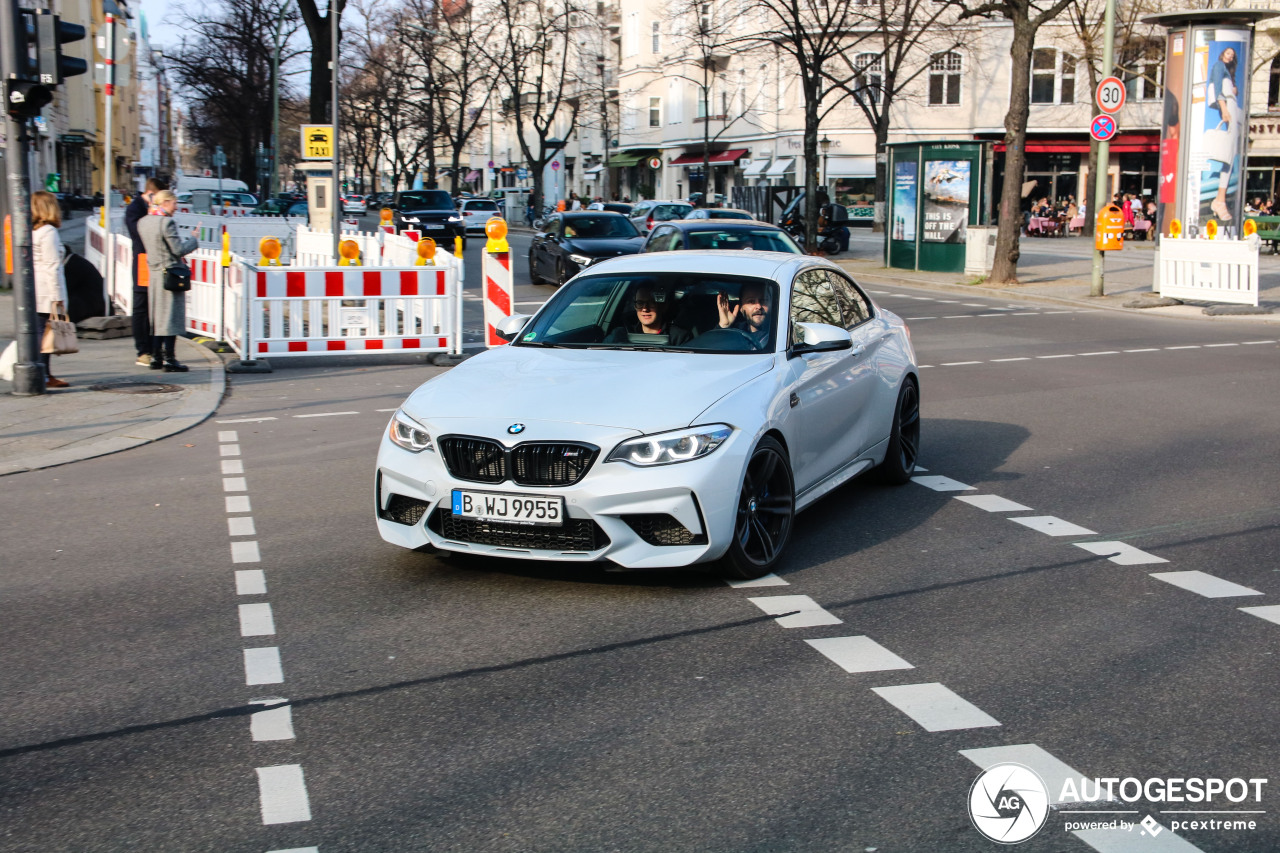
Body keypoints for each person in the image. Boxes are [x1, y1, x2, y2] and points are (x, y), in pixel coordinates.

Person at [138, 190, 199, 372]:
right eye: (174, 203)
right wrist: (194, 239)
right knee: (170, 318)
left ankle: (156, 356)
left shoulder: (144, 222)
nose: (176, 206)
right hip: (170, 274)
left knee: (157, 318)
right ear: (164, 202)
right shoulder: (167, 223)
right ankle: (170, 359)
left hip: (155, 274)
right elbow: (178, 249)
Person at [125, 177, 168, 366]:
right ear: (151, 195)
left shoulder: (153, 210)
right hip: (143, 263)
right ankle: (143, 350)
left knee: (156, 308)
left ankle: (157, 349)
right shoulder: (135, 209)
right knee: (141, 308)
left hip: (157, 263)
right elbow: (142, 235)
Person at [31, 191, 70, 388]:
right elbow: (52, 265)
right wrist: (58, 298)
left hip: (36, 288)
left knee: (41, 332)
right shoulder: (48, 233)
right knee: (45, 334)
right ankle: (44, 375)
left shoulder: (35, 231)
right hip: (47, 290)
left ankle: (43, 373)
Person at [1206, 46, 1241, 222]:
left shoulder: (1227, 70)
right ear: (1222, 54)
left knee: (1232, 151)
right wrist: (1224, 108)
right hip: (1228, 106)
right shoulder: (1219, 65)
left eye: (1232, 55)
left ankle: (1220, 199)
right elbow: (1218, 86)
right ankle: (1220, 200)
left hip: (1232, 105)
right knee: (1230, 152)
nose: (1229, 56)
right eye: (1228, 53)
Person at [606, 286, 691, 344]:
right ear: (635, 306)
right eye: (640, 303)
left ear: (663, 306)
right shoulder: (620, 335)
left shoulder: (679, 337)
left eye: (651, 303)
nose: (645, 309)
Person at [716, 281, 772, 348]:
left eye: (763, 300)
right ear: (741, 308)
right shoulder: (735, 331)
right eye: (751, 301)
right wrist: (723, 327)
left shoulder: (780, 330)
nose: (759, 306)